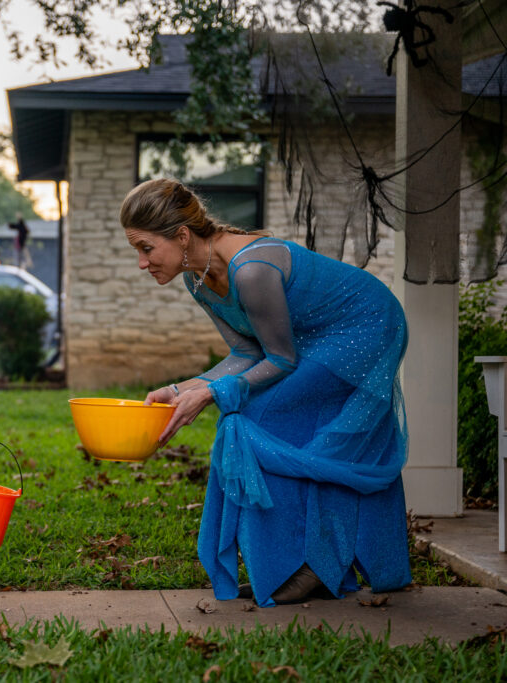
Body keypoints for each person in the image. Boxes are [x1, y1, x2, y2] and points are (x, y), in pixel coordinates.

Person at [120, 178, 411, 607]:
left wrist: (213, 395)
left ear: (181, 236)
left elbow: (280, 360)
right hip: (307, 339)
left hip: (363, 326)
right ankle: (306, 561)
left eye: (146, 248)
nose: (142, 263)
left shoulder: (250, 269)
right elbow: (246, 353)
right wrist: (181, 388)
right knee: (268, 421)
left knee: (262, 420)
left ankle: (307, 565)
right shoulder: (196, 277)